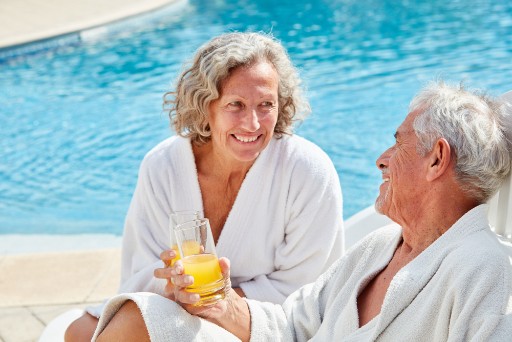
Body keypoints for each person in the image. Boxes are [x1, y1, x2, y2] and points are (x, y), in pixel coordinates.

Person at [92, 81, 512, 341]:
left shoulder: (484, 269)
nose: (382, 159)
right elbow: (293, 326)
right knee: (140, 316)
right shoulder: (379, 247)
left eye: (398, 144)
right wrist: (218, 301)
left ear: (437, 159)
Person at [64, 32, 344, 341]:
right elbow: (141, 270)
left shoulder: (307, 170)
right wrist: (171, 286)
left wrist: (213, 300)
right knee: (77, 332)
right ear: (204, 106)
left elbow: (306, 291)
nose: (252, 123)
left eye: (266, 104)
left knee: (135, 325)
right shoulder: (163, 166)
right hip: (177, 304)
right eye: (235, 104)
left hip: (264, 323)